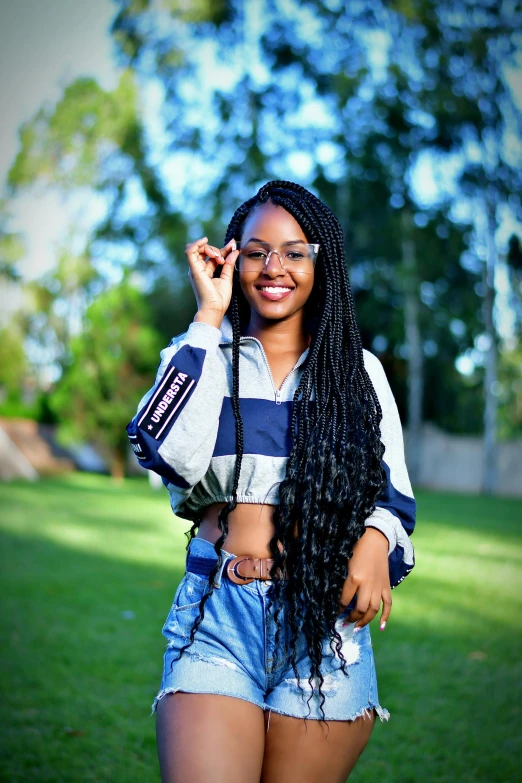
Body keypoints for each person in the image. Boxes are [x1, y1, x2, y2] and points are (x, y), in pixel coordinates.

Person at [126, 180, 416, 782]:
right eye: (256, 251)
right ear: (233, 260)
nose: (273, 267)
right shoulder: (200, 352)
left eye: (293, 251)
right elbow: (164, 451)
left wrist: (376, 542)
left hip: (323, 630)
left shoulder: (357, 373)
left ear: (321, 262)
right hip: (217, 618)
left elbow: (394, 498)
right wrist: (208, 317)